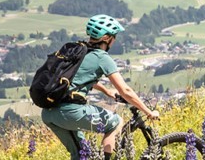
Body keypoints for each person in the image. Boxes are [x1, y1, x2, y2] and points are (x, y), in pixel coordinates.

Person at [41, 14, 158, 160]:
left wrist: (107, 91)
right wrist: (148, 112)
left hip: (49, 112)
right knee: (116, 123)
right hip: (70, 112)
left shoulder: (79, 51)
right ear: (106, 38)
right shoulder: (102, 57)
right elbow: (125, 90)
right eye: (114, 36)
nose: (114, 40)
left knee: (83, 154)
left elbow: (77, 77)